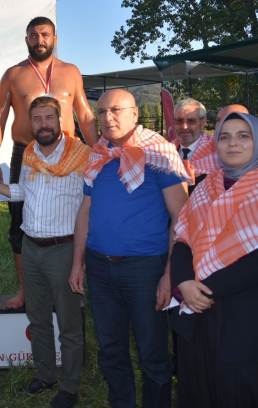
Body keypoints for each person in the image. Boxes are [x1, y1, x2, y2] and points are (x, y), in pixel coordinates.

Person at [69, 89, 189, 408]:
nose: (108, 118)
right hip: (99, 267)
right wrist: (77, 262)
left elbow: (182, 218)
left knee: (153, 354)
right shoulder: (99, 154)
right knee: (111, 351)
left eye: (116, 110)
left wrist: (169, 274)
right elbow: (85, 211)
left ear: (135, 114)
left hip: (145, 270)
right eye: (102, 112)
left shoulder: (160, 153)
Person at [170, 112, 258, 407]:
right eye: (225, 137)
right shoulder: (204, 189)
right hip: (201, 323)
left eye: (243, 136)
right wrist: (184, 282)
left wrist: (200, 290)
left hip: (252, 327)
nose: (233, 143)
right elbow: (182, 241)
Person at [0, 96, 88, 408]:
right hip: (31, 247)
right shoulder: (29, 153)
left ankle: (69, 387)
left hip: (63, 249)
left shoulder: (82, 155)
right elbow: (23, 192)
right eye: (37, 119)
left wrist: (81, 260)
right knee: (37, 318)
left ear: (60, 119)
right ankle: (45, 375)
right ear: (30, 123)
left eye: (49, 118)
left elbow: (90, 206)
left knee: (69, 324)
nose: (43, 124)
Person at [0, 16, 98, 309]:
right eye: (34, 35)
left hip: (70, 154)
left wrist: (100, 154)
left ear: (54, 38)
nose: (39, 40)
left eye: (45, 34)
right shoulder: (13, 74)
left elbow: (85, 116)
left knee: (76, 221)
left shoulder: (71, 72)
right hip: (25, 153)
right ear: (27, 40)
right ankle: (26, 291)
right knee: (19, 224)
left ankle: (73, 287)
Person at [171, 98, 215, 191]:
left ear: (203, 123)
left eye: (191, 121)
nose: (184, 126)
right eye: (179, 121)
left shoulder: (216, 151)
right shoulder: (167, 151)